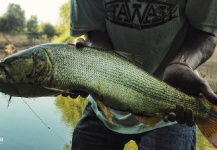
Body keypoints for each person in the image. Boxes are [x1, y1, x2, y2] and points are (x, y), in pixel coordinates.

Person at [69, 0, 217, 149]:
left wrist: (182, 64)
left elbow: (204, 32)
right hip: (103, 106)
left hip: (173, 102)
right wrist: (95, 62)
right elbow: (94, 31)